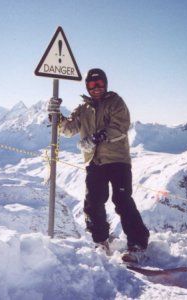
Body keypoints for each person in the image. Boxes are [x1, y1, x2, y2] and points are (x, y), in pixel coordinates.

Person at [48, 68, 149, 261]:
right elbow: (69, 129)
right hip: (95, 162)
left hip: (117, 160)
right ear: (87, 85)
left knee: (122, 201)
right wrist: (57, 117)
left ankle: (137, 244)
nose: (96, 88)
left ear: (106, 84)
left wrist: (97, 137)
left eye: (100, 84)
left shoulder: (116, 102)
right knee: (93, 203)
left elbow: (119, 127)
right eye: (92, 85)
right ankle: (101, 241)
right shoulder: (83, 108)